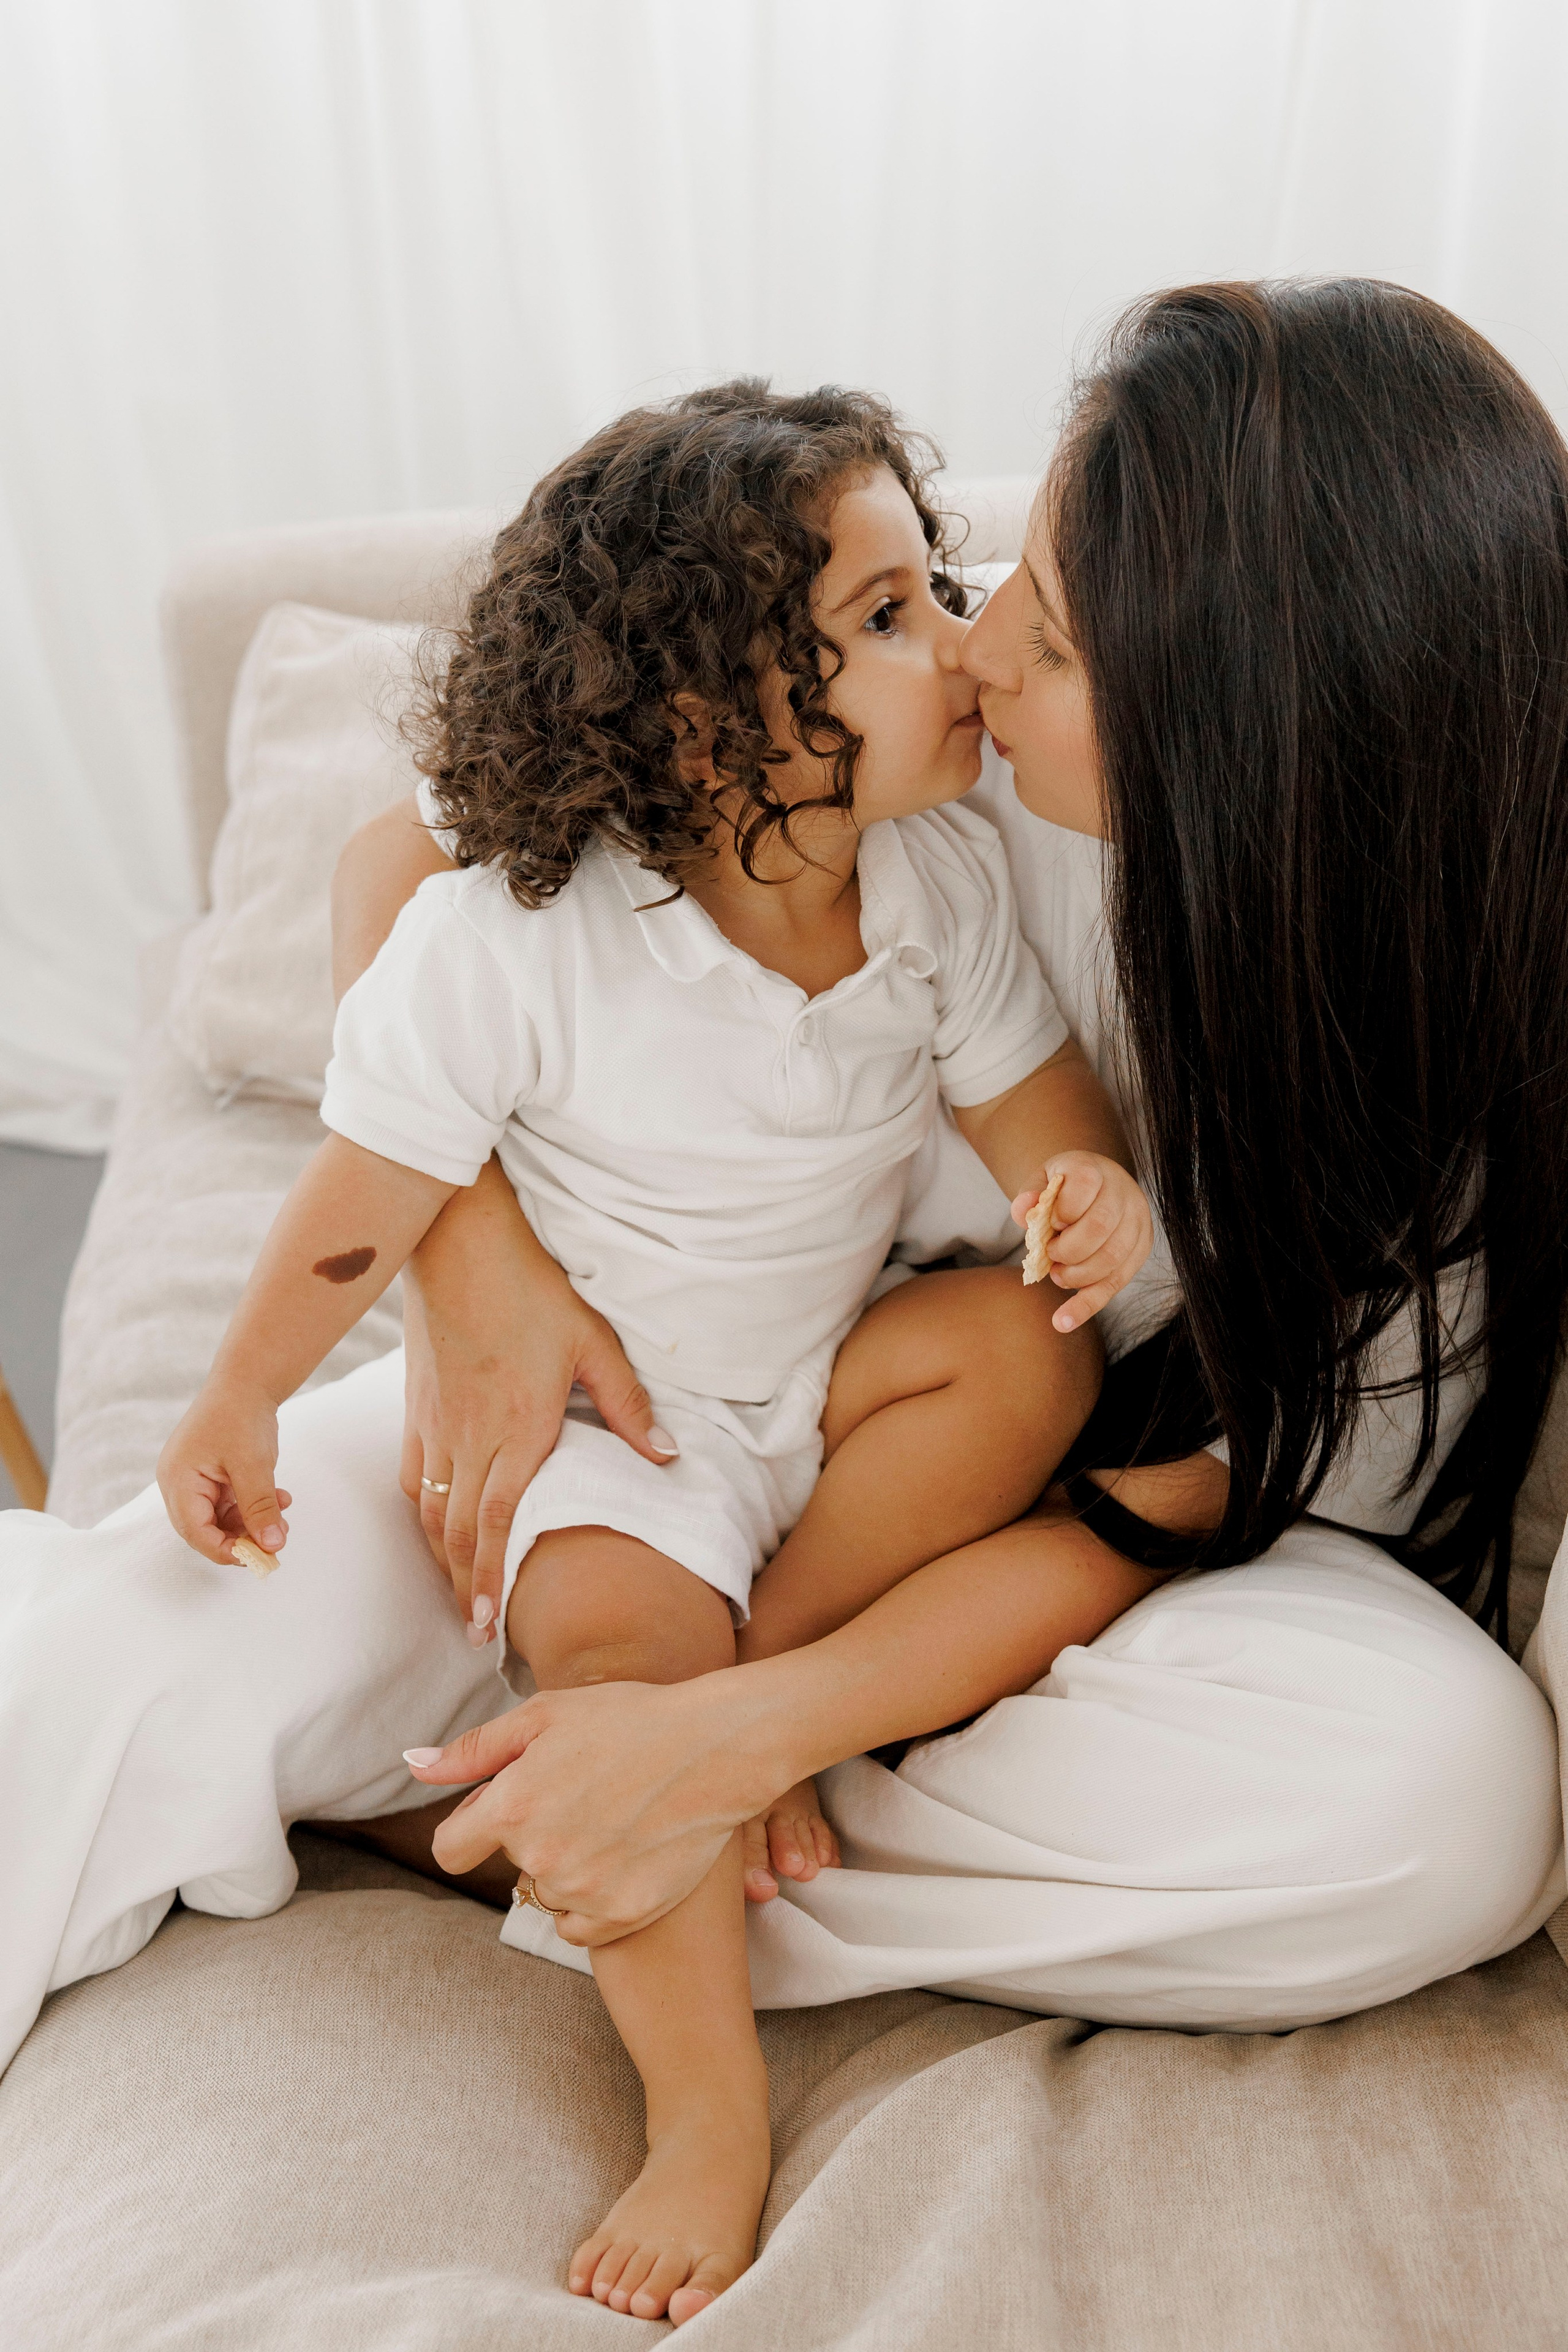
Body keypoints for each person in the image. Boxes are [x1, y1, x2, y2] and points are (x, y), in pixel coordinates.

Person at [0, 282, 1561, 2329]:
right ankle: (571, 1772)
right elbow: (415, 860)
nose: (989, 645)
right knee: (120, 1658)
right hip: (627, 1407)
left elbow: (1145, 1514)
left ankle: (583, 1802)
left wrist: (749, 1726)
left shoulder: (1418, 1099)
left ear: (1249, 753)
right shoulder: (908, 750)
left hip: (954, 1553)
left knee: (1440, 1805)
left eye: (1054, 635)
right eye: (992, 581)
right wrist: (486, 1269)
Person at [153, 380, 1155, 2326]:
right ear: (709, 730)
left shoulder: (936, 890)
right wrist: (238, 1389)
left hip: (821, 1375)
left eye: (928, 588)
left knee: (1030, 1360)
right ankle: (707, 2110)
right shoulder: (526, 935)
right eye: (882, 623)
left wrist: (1085, 1208)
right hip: (627, 1426)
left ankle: (727, 1722)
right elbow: (362, 1194)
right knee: (623, 1639)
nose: (955, 647)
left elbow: (1045, 1123)